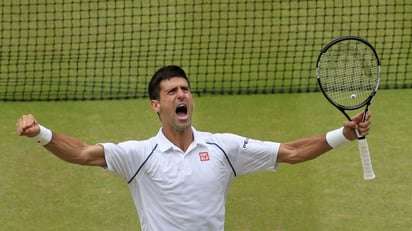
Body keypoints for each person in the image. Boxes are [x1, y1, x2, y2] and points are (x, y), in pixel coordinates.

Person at [16, 65, 371, 231]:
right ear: (157, 106)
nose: (181, 95)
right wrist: (40, 133)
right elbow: (81, 152)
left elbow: (291, 152)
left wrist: (345, 135)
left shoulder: (224, 148)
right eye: (171, 92)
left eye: (185, 89)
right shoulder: (139, 156)